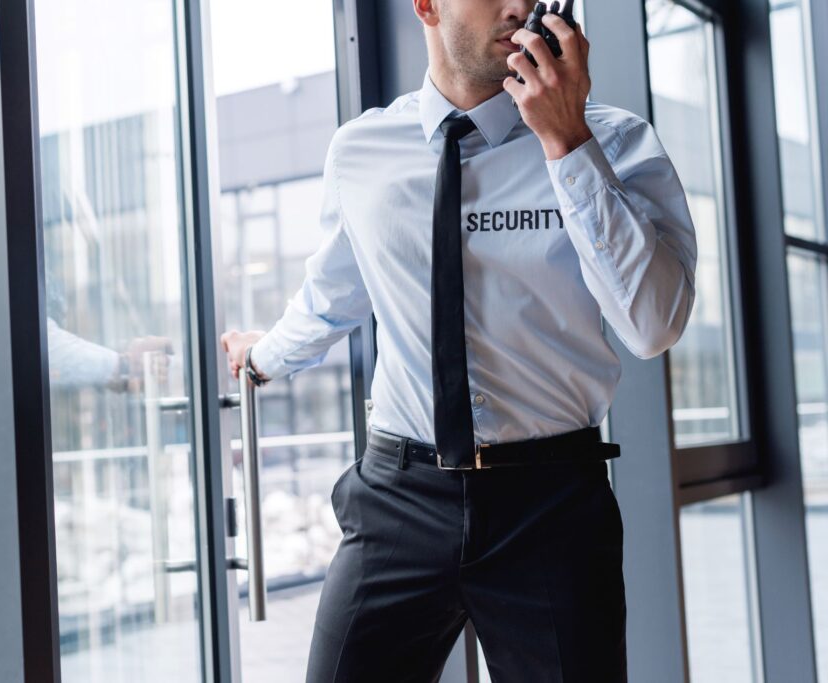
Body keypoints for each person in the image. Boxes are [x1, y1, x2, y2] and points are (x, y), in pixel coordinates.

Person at [220, 0, 697, 680]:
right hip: (399, 497)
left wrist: (567, 145)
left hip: (551, 507)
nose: (519, 5)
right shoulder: (361, 151)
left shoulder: (615, 143)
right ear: (426, 5)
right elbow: (333, 293)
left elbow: (654, 324)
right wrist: (261, 360)